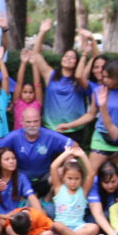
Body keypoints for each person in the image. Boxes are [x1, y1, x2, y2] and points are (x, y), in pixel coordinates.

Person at [27, 19, 90, 147]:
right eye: (66, 56)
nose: (68, 59)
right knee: (50, 164)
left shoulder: (79, 79)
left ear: (76, 63)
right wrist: (42, 32)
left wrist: (86, 50)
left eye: (72, 58)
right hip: (51, 128)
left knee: (71, 165)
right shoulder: (50, 75)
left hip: (74, 129)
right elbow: (36, 55)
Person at [0, 107, 73, 203]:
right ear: (22, 122)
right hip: (20, 179)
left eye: (35, 121)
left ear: (40, 121)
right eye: (28, 122)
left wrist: (67, 164)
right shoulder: (14, 136)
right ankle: (21, 201)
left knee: (63, 171)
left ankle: (50, 199)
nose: (32, 125)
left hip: (45, 177)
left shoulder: (49, 135)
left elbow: (74, 146)